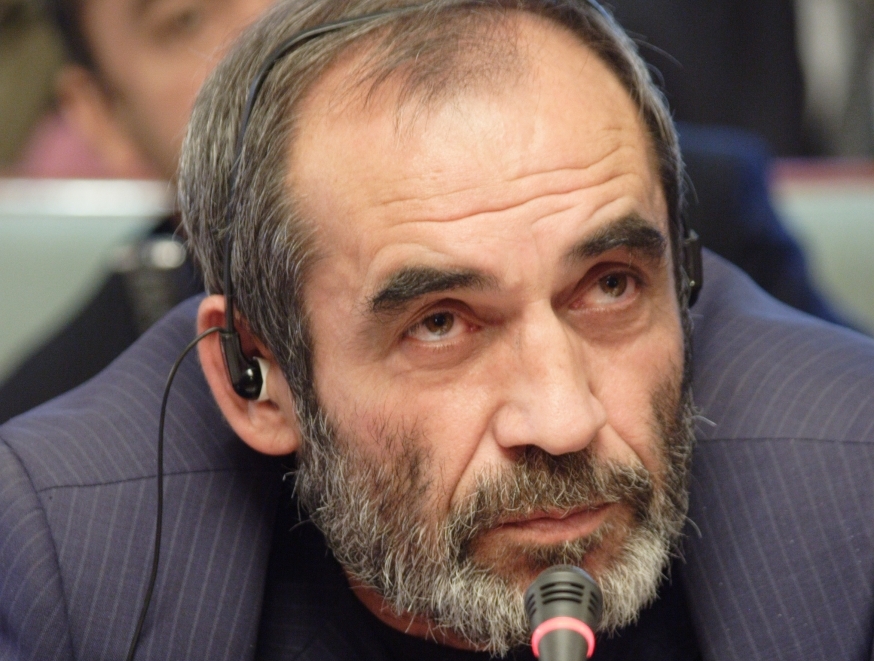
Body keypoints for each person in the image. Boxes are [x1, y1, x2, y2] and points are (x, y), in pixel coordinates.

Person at [2, 1, 874, 660]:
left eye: (610, 286)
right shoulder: (61, 556)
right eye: (441, 323)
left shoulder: (852, 484)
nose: (562, 420)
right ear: (255, 378)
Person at [0, 0, 845, 425]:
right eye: (185, 19)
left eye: (610, 285)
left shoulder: (676, 207)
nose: (274, 28)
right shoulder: (52, 434)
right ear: (102, 118)